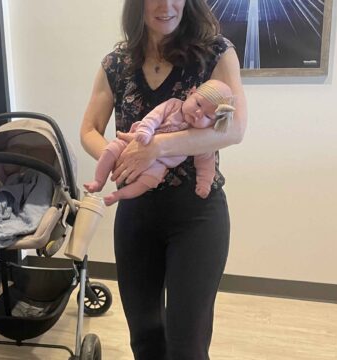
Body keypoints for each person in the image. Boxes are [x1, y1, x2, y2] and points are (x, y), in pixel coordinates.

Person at [80, 0, 247, 358]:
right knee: (145, 336)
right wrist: (122, 158)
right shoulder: (116, 64)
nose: (166, 5)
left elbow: (234, 129)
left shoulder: (216, 53)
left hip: (197, 215)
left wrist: (156, 148)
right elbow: (89, 130)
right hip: (136, 215)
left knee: (187, 341)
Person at [84, 79, 235, 205]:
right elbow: (154, 117)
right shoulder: (173, 105)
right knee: (111, 149)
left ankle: (119, 195)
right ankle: (98, 181)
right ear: (191, 93)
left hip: (159, 164)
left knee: (149, 180)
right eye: (198, 104)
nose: (198, 113)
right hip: (136, 141)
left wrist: (204, 183)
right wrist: (145, 130)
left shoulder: (201, 136)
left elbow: (206, 163)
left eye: (208, 117)